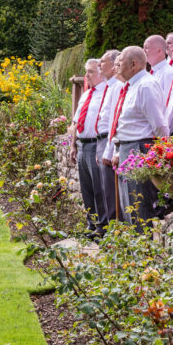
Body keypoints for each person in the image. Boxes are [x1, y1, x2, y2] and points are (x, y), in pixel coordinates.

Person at [105, 46, 169, 227]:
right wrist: (118, 151)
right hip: (127, 147)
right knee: (129, 205)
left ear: (134, 64)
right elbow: (125, 123)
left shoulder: (146, 85)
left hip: (140, 148)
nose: (116, 66)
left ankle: (145, 250)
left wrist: (161, 153)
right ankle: (135, 248)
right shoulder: (130, 86)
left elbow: (159, 124)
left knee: (139, 204)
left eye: (121, 62)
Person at [69, 59, 107, 235]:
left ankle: (101, 226)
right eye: (86, 72)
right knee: (86, 188)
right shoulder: (86, 94)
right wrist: (72, 145)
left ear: (100, 73)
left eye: (90, 72)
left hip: (95, 143)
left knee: (98, 187)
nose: (87, 76)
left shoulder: (106, 93)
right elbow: (76, 121)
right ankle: (91, 224)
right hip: (82, 145)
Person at [94, 50, 122, 226]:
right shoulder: (110, 86)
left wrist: (108, 149)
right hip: (102, 139)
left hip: (109, 139)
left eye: (102, 61)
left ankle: (113, 230)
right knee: (104, 190)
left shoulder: (118, 86)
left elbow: (114, 120)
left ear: (113, 65)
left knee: (111, 192)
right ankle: (107, 229)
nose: (99, 65)